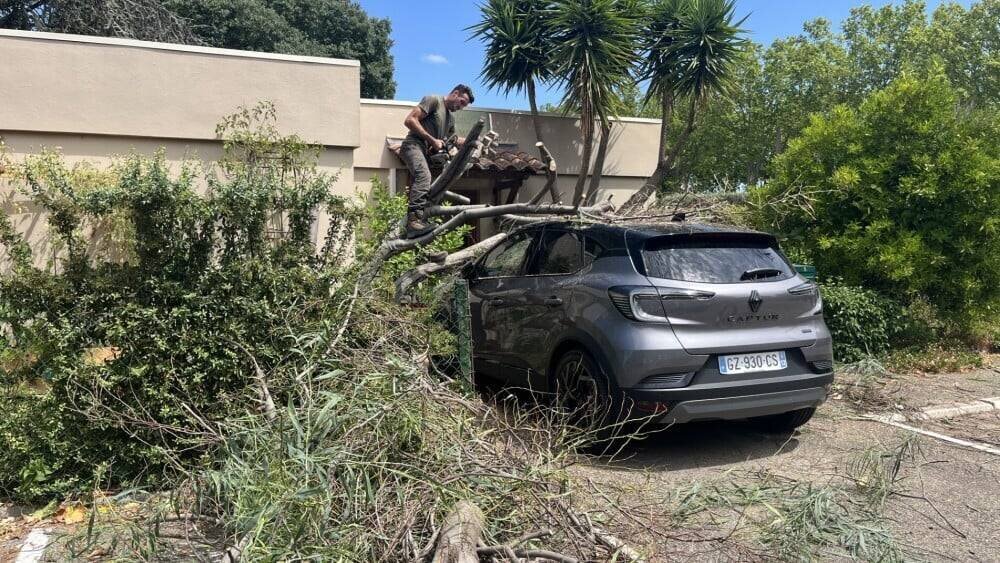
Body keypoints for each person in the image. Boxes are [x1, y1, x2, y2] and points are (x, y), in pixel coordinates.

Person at [400, 84, 474, 238]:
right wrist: (432, 140)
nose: (461, 107)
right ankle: (413, 221)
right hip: (413, 145)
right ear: (455, 93)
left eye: (464, 106)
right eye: (461, 102)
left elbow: (452, 140)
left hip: (426, 153)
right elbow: (410, 120)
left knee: (431, 183)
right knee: (424, 176)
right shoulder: (433, 100)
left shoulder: (450, 119)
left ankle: (419, 220)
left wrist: (473, 140)